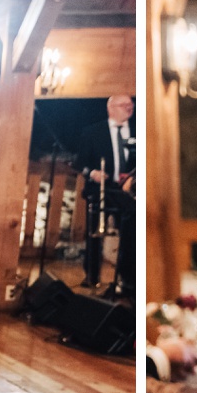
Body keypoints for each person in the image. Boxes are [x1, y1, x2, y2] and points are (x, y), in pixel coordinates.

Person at [79, 95, 139, 295]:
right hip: (100, 191)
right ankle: (92, 276)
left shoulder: (140, 129)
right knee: (95, 235)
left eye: (131, 106)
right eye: (124, 106)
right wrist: (93, 173)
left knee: (130, 237)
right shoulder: (92, 132)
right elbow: (80, 163)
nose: (129, 110)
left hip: (130, 193)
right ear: (111, 108)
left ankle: (126, 280)